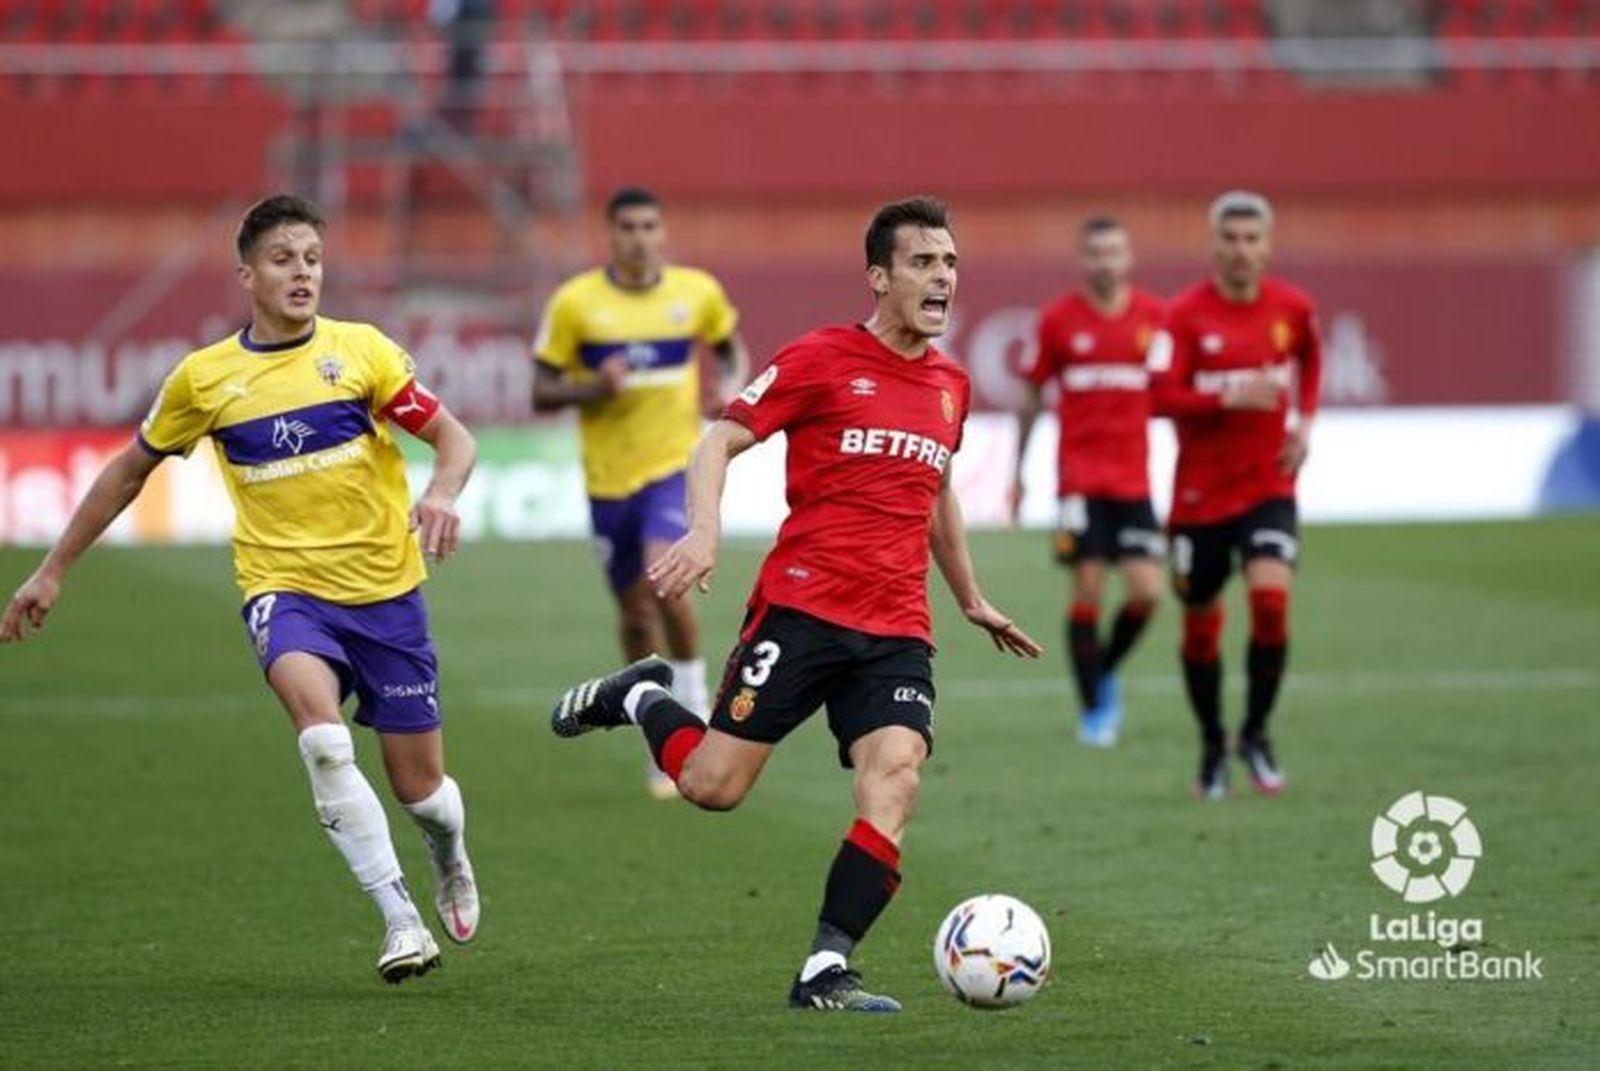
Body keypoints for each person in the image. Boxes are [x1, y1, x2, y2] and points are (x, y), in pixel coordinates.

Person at [547, 197, 1042, 1011]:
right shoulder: (818, 357)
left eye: (951, 263)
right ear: (879, 276)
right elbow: (719, 439)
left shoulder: (951, 386)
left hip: (896, 629)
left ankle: (824, 969)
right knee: (714, 785)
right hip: (803, 611)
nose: (943, 277)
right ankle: (640, 693)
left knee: (897, 778)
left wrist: (971, 597)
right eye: (924, 262)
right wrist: (703, 532)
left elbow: (936, 495)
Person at [0, 194, 481, 982]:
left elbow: (452, 438)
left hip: (387, 594)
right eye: (284, 259)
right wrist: (53, 567)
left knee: (421, 790)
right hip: (284, 588)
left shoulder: (362, 352)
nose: (302, 274)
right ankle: (398, 918)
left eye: (313, 259)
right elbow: (130, 469)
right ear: (246, 274)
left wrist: (441, 493)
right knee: (323, 740)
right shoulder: (206, 378)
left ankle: (447, 851)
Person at [532, 186, 749, 800]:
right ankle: (652, 722)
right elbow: (541, 391)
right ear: (611, 234)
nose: (639, 237)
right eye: (627, 226)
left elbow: (730, 346)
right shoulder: (576, 304)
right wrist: (593, 388)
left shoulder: (696, 292)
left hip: (670, 469)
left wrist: (727, 391)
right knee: (633, 614)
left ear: (663, 232)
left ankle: (694, 705)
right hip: (608, 483)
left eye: (649, 225)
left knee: (667, 580)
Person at [1148, 191, 1323, 800]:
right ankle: (1211, 743)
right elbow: (1158, 395)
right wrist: (1227, 396)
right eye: (1231, 239)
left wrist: (1305, 423)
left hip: (1269, 487)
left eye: (1253, 240)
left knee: (1271, 601)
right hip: (1199, 500)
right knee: (1201, 629)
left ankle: (1255, 732)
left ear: (1267, 245)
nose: (1242, 250)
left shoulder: (1293, 309)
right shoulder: (1183, 316)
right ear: (1214, 244)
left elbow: (1311, 357)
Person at [1014, 216, 1165, 746]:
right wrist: (1017, 472)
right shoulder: (1058, 321)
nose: (1105, 261)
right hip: (1078, 482)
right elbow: (1031, 397)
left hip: (1135, 483)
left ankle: (1100, 668)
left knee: (1147, 592)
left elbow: (1174, 393)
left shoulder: (1154, 318)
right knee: (1088, 589)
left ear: (1128, 257)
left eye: (1114, 251)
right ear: (1084, 259)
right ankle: (1095, 708)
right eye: (1096, 252)